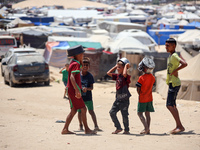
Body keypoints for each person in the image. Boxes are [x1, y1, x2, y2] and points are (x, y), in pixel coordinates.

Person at [61, 45, 96, 135]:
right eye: (82, 53)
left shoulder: (74, 63)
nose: (83, 55)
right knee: (83, 109)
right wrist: (77, 90)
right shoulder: (75, 64)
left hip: (71, 90)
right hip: (73, 90)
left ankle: (65, 129)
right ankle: (87, 129)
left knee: (74, 110)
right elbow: (72, 77)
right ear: (78, 55)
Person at [165, 38, 187, 134]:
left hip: (174, 83)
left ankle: (180, 126)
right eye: (165, 45)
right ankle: (178, 126)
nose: (166, 47)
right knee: (172, 105)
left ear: (174, 46)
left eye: (168, 45)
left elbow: (185, 63)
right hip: (172, 83)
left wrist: (175, 71)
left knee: (169, 105)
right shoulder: (170, 56)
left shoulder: (174, 55)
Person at [107, 58, 131, 134]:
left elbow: (124, 74)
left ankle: (126, 130)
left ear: (124, 68)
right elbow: (108, 73)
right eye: (117, 67)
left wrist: (126, 67)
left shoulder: (126, 77)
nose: (117, 69)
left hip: (124, 100)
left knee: (124, 116)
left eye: (119, 67)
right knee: (112, 112)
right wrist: (116, 66)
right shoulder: (117, 76)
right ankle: (118, 128)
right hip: (118, 99)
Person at [77, 57, 102, 132]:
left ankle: (96, 126)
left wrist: (87, 89)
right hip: (80, 97)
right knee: (80, 112)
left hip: (88, 98)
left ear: (89, 67)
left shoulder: (90, 76)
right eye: (83, 65)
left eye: (86, 65)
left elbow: (91, 87)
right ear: (81, 66)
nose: (85, 66)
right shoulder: (78, 75)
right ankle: (81, 125)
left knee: (91, 111)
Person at [136, 57, 155, 134]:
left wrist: (140, 94)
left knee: (140, 113)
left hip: (142, 98)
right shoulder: (152, 77)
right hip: (150, 98)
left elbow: (138, 89)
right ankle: (148, 129)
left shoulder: (141, 78)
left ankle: (146, 128)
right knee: (147, 114)